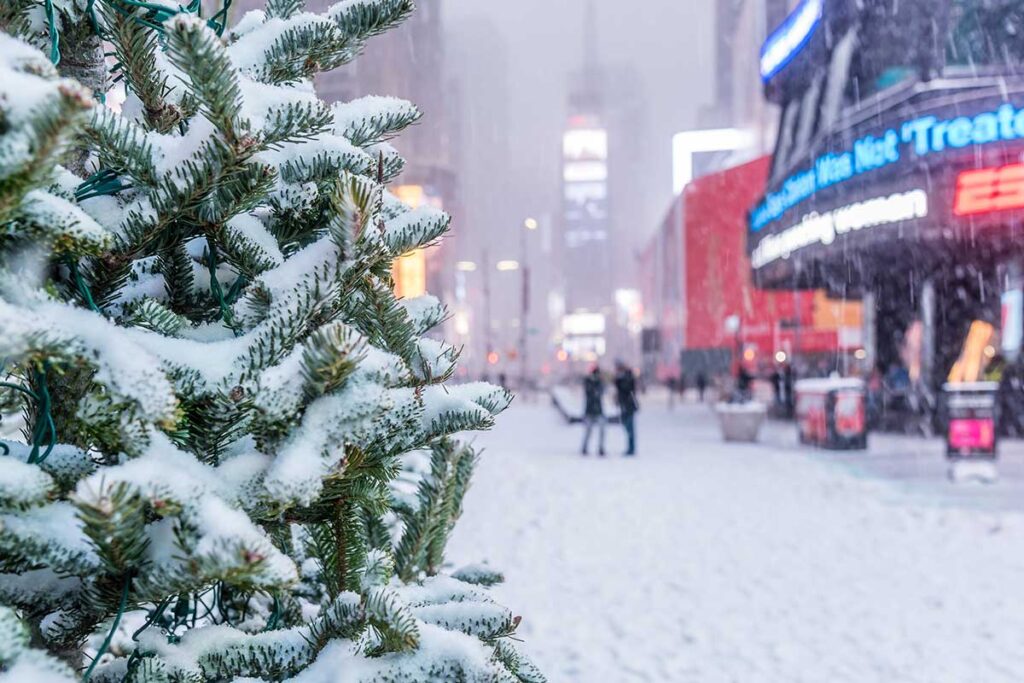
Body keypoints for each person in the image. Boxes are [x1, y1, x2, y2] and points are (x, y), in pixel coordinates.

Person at [614, 361, 639, 456]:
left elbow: (626, 389)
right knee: (627, 427)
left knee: (630, 427)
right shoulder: (623, 378)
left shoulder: (627, 378)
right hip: (625, 406)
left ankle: (631, 448)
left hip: (628, 406)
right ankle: (630, 448)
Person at [581, 366, 606, 456]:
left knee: (601, 430)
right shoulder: (589, 382)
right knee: (588, 431)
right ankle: (585, 448)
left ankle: (600, 448)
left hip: (598, 411)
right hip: (590, 411)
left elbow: (601, 392)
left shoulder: (599, 383)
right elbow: (591, 393)